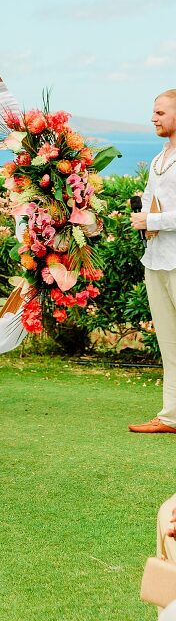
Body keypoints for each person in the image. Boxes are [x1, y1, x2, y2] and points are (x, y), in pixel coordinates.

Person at [130, 89, 176, 434]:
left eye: (160, 112)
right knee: (169, 344)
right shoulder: (160, 158)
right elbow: (148, 201)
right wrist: (142, 218)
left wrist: (153, 220)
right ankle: (171, 416)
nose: (153, 118)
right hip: (156, 259)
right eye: (153, 112)